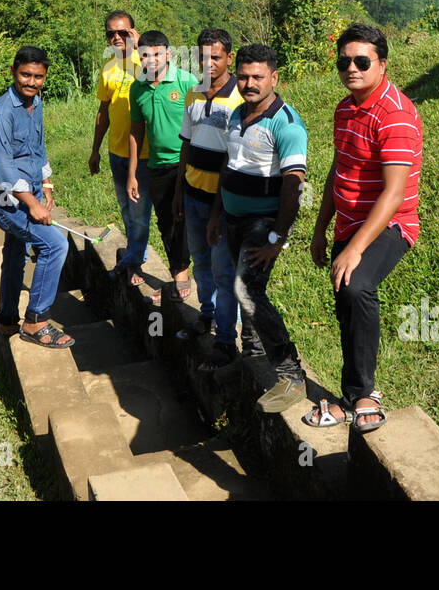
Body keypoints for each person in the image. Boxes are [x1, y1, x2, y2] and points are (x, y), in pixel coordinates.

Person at [306, 24, 422, 433]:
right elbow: (339, 170)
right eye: (344, 61)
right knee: (344, 307)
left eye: (361, 61)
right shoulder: (345, 109)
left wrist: (355, 249)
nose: (351, 68)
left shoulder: (395, 114)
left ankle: (364, 393)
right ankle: (351, 393)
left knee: (356, 287)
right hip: (348, 222)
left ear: (382, 64)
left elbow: (393, 195)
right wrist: (321, 227)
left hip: (390, 224)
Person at [209, 44, 308, 413]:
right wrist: (217, 215)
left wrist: (277, 240)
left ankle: (290, 374)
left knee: (246, 290)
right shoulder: (237, 115)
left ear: (274, 78)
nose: (249, 83)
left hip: (263, 223)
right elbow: (229, 168)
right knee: (238, 287)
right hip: (232, 220)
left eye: (258, 77)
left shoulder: (286, 124)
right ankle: (252, 356)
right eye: (245, 76)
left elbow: (294, 185)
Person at [0, 46, 73, 349]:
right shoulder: (1, 113)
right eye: (25, 75)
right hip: (6, 198)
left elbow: (38, 145)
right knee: (55, 243)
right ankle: (36, 321)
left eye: (38, 77)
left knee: (15, 251)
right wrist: (32, 204)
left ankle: (7, 318)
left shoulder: (37, 103)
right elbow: (4, 168)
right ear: (13, 71)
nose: (31, 82)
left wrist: (46, 184)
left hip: (31, 190)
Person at [172, 29, 243, 363]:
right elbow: (186, 144)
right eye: (202, 57)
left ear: (230, 57)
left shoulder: (240, 99)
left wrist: (219, 208)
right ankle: (207, 315)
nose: (208, 63)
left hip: (223, 202)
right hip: (192, 193)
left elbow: (235, 159)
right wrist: (178, 193)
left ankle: (227, 338)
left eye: (216, 57)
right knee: (200, 262)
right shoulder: (193, 94)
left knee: (223, 270)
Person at [127, 31, 200, 304]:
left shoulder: (186, 82)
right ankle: (179, 272)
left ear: (168, 54)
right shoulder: (138, 88)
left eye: (157, 53)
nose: (152, 59)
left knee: (189, 219)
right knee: (167, 222)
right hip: (157, 165)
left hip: (189, 164)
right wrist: (133, 173)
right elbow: (136, 131)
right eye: (145, 54)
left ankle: (188, 275)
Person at [88, 11, 152, 280]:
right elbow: (104, 110)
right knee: (126, 208)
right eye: (110, 33)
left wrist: (140, 49)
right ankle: (138, 252)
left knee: (139, 211)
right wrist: (95, 150)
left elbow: (161, 85)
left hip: (146, 154)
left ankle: (134, 261)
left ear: (134, 32)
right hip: (117, 151)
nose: (116, 37)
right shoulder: (108, 68)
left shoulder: (149, 61)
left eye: (122, 32)